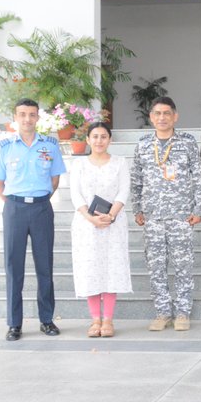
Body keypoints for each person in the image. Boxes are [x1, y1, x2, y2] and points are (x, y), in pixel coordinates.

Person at [0, 98, 67, 341]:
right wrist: (15, 203)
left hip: (42, 208)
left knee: (45, 265)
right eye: (22, 114)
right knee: (14, 267)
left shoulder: (50, 145)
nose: (27, 119)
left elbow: (55, 181)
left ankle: (46, 320)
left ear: (38, 118)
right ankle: (14, 324)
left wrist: (39, 199)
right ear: (15, 117)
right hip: (14, 209)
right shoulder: (4, 147)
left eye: (32, 114)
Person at [131, 96, 201, 332]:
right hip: (152, 216)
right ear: (151, 117)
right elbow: (136, 179)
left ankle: (182, 312)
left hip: (181, 215)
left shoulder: (187, 142)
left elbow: (197, 176)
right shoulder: (143, 144)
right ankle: (163, 311)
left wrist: (198, 208)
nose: (162, 118)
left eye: (166, 113)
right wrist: (137, 208)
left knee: (183, 265)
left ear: (175, 116)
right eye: (157, 114)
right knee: (156, 266)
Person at [67, 121, 131, 338]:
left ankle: (108, 320)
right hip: (87, 226)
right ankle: (95, 320)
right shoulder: (79, 165)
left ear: (110, 140)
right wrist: (89, 218)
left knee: (110, 269)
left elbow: (123, 191)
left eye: (104, 136)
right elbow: (76, 194)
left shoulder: (120, 163)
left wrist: (111, 215)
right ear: (87, 140)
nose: (99, 141)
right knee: (91, 269)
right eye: (95, 136)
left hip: (113, 224)